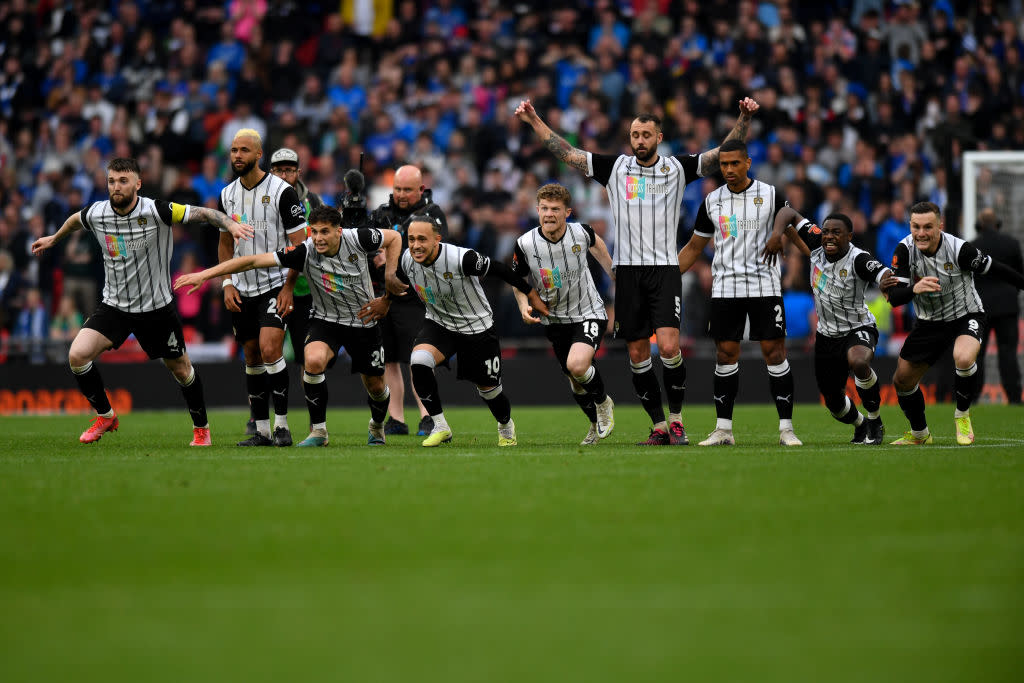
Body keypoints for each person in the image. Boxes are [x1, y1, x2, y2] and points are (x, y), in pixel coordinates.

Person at [515, 96, 759, 446]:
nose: (640, 140)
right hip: (627, 272)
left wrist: (744, 118)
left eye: (646, 134)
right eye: (634, 134)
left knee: (670, 347)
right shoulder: (616, 168)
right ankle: (658, 425)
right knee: (637, 353)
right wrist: (534, 120)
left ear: (659, 137)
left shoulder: (677, 168)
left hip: (664, 269)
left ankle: (676, 419)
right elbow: (566, 152)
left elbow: (720, 155)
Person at [30, 157, 253, 446]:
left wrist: (230, 225)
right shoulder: (98, 212)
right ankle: (106, 416)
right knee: (77, 355)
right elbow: (76, 219)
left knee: (182, 370)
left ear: (138, 183)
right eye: (111, 181)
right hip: (115, 306)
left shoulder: (157, 210)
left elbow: (204, 214)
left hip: (156, 309)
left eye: (123, 181)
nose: (116, 186)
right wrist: (54, 238)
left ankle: (201, 429)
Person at [175, 204, 402, 447]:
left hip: (363, 320)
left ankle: (377, 426)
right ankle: (319, 432)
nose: (318, 238)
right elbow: (251, 261)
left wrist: (388, 287)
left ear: (339, 231)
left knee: (376, 386)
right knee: (313, 361)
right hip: (326, 320)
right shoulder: (305, 251)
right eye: (314, 231)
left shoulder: (359, 238)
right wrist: (206, 275)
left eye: (324, 232)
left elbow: (395, 237)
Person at [358, 216, 549, 447]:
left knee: (489, 391)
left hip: (477, 328)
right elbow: (399, 281)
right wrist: (386, 301)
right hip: (440, 324)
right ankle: (440, 426)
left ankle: (505, 424)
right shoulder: (407, 259)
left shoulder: (462, 258)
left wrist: (532, 295)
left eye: (422, 239)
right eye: (411, 239)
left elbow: (500, 269)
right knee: (418, 361)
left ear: (437, 239)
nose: (416, 245)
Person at [677, 139, 807, 447]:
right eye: (724, 164)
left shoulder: (770, 194)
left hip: (765, 285)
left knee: (774, 353)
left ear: (748, 163)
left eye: (735, 163)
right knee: (725, 355)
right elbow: (695, 247)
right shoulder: (711, 201)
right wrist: (667, 277)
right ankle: (723, 430)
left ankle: (786, 429)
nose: (729, 169)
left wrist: (816, 262)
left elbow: (794, 230)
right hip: (725, 288)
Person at [881, 201, 1024, 445]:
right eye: (916, 227)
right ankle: (919, 434)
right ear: (910, 226)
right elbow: (894, 298)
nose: (921, 233)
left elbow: (997, 269)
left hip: (966, 315)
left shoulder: (960, 250)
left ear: (940, 226)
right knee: (902, 381)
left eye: (928, 227)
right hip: (929, 323)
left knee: (964, 357)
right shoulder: (904, 250)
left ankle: (962, 415)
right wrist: (915, 288)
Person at [219, 129, 308, 447]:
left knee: (271, 348)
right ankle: (262, 431)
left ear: (259, 155)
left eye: (244, 150)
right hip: (242, 288)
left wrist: (288, 287)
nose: (237, 156)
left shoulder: (283, 192)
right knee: (252, 355)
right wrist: (227, 283)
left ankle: (282, 426)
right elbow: (225, 243)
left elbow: (301, 245)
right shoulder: (227, 194)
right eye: (233, 150)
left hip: (274, 284)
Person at [509, 183, 616, 445]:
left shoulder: (583, 233)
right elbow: (517, 281)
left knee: (577, 365)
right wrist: (523, 305)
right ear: (537, 210)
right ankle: (593, 424)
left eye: (555, 209)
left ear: (567, 212)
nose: (549, 214)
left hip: (588, 311)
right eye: (544, 208)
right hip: (555, 320)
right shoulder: (525, 244)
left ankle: (603, 404)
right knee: (575, 380)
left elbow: (610, 266)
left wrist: (621, 295)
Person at [783, 211, 891, 445]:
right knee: (834, 404)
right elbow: (787, 212)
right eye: (826, 231)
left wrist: (885, 280)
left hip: (858, 326)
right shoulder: (816, 247)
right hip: (826, 335)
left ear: (849, 236)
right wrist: (777, 232)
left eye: (836, 232)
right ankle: (861, 424)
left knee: (859, 362)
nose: (829, 236)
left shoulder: (859, 259)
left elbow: (881, 271)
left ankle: (874, 420)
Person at [240, 146, 325, 437]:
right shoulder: (259, 197)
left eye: (290, 169)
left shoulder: (312, 201)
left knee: (306, 358)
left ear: (298, 172)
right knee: (264, 352)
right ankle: (258, 418)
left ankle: (314, 422)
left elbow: (317, 245)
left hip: (304, 291)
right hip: (269, 287)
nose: (284, 174)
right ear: (270, 170)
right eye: (279, 169)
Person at [369, 164, 448, 438]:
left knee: (419, 357)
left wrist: (388, 258)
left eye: (407, 190)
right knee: (389, 359)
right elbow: (368, 248)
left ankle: (428, 416)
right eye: (397, 189)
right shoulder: (380, 213)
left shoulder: (432, 214)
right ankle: (396, 418)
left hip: (416, 296)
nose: (401, 195)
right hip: (384, 296)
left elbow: (432, 252)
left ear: (421, 189)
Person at [970, 208, 1023, 404]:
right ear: (997, 224)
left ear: (979, 225)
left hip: (980, 308)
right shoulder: (1012, 244)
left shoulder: (973, 246)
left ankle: (973, 397)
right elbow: (1019, 276)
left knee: (978, 355)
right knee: (1008, 353)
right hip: (1007, 308)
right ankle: (1015, 398)